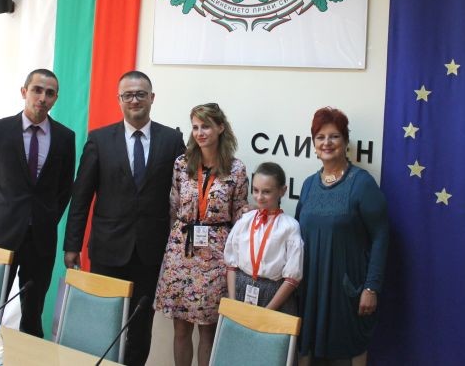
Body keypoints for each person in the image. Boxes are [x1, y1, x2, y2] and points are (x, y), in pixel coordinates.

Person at [63, 70, 185, 366]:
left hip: (150, 252)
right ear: (119, 100)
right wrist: (72, 245)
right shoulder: (99, 139)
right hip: (108, 249)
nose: (134, 100)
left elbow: (186, 192)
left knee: (141, 327)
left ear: (152, 98)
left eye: (140, 94)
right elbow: (81, 197)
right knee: (102, 323)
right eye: (128, 95)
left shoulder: (172, 140)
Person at [0, 68, 76, 338]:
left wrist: (45, 219)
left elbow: (64, 189)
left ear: (55, 99)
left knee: (32, 315)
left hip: (41, 239)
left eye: (50, 93)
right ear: (24, 92)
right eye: (37, 90)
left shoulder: (65, 137)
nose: (43, 97)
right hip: (1, 235)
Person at [154, 103, 248, 366]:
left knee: (208, 329)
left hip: (215, 256)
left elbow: (238, 213)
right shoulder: (182, 164)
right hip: (181, 252)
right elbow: (173, 207)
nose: (199, 133)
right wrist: (173, 245)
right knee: (181, 328)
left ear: (220, 128)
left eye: (205, 126)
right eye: (195, 127)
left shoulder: (236, 168)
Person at [296, 107, 389, 366]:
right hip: (311, 290)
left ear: (345, 141)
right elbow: (296, 236)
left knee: (348, 353)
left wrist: (371, 287)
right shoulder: (308, 185)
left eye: (334, 136)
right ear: (314, 144)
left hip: (347, 290)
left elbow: (381, 236)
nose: (327, 142)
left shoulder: (362, 183)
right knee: (306, 353)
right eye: (320, 137)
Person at [224, 162, 303, 315]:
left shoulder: (290, 227)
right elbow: (231, 265)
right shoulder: (245, 220)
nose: (259, 197)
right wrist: (233, 302)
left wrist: (267, 312)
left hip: (274, 297)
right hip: (241, 290)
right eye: (255, 190)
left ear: (282, 191)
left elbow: (292, 277)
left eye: (266, 192)